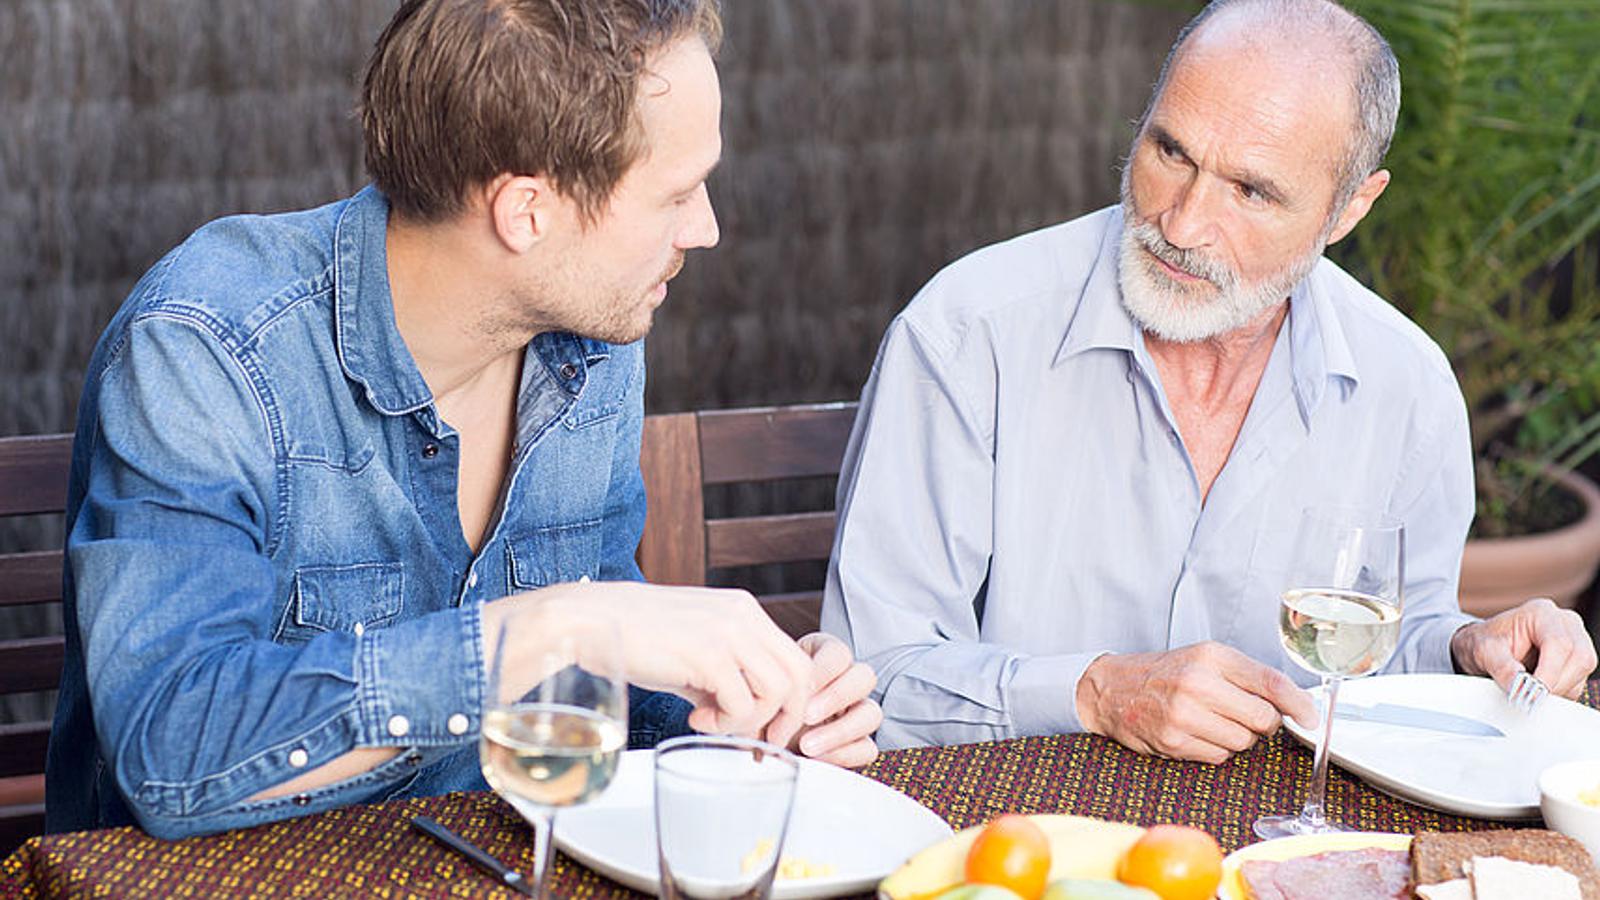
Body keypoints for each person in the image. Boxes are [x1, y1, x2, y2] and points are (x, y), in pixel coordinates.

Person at [47, 0, 881, 841]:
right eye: (675, 194)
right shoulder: (208, 347)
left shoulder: (593, 338)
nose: (706, 229)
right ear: (526, 213)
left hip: (500, 864)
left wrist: (749, 713)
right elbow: (171, 752)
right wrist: (559, 628)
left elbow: (598, 683)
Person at [822, 0, 1596, 760]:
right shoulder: (967, 334)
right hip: (1009, 852)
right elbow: (871, 679)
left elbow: (1390, 654)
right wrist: (1093, 693)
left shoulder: (1409, 386)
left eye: (1251, 192)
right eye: (1170, 153)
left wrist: (1468, 647)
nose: (1182, 225)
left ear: (1350, 209)